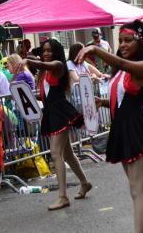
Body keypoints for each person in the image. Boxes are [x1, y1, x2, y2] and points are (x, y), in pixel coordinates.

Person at [75, 21, 143, 233]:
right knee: (141, 188)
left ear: (140, 41)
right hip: (122, 130)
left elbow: (125, 68)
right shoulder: (119, 71)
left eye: (128, 40)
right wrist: (103, 102)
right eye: (120, 41)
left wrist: (96, 49)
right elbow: (125, 98)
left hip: (138, 130)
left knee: (137, 190)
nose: (123, 45)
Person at [24, 39, 92, 211]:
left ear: (56, 53)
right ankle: (85, 182)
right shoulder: (45, 72)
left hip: (60, 114)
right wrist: (27, 97)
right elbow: (47, 95)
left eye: (49, 50)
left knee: (55, 153)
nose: (46, 53)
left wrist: (27, 60)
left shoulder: (59, 66)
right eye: (44, 51)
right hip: (52, 113)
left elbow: (51, 66)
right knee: (67, 154)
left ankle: (63, 197)